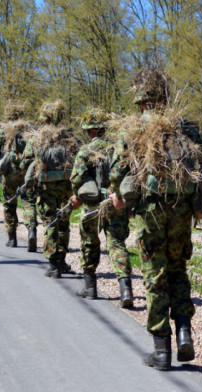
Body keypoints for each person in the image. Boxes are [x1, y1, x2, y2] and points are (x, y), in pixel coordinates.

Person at [108, 67, 202, 369]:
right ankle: (184, 332)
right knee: (177, 270)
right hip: (182, 211)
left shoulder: (133, 129)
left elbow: (117, 173)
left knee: (155, 276)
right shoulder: (185, 127)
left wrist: (117, 195)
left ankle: (161, 350)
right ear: (166, 98)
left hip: (151, 213)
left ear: (141, 101)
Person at [68, 108, 133, 308]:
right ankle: (125, 289)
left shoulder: (86, 151)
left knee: (89, 243)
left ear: (91, 131)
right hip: (116, 202)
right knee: (117, 244)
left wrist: (75, 195)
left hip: (93, 206)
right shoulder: (119, 148)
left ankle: (90, 287)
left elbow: (77, 178)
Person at [20, 100, 78, 278]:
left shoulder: (38, 138)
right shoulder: (70, 137)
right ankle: (61, 260)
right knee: (64, 224)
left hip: (46, 189)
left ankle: (53, 265)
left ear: (45, 119)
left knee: (51, 223)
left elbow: (26, 163)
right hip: (67, 188)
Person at [0, 100, 38, 250]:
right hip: (27, 172)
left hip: (10, 173)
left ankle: (12, 238)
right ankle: (31, 231)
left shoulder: (3, 130)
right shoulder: (31, 129)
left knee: (9, 203)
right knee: (29, 202)